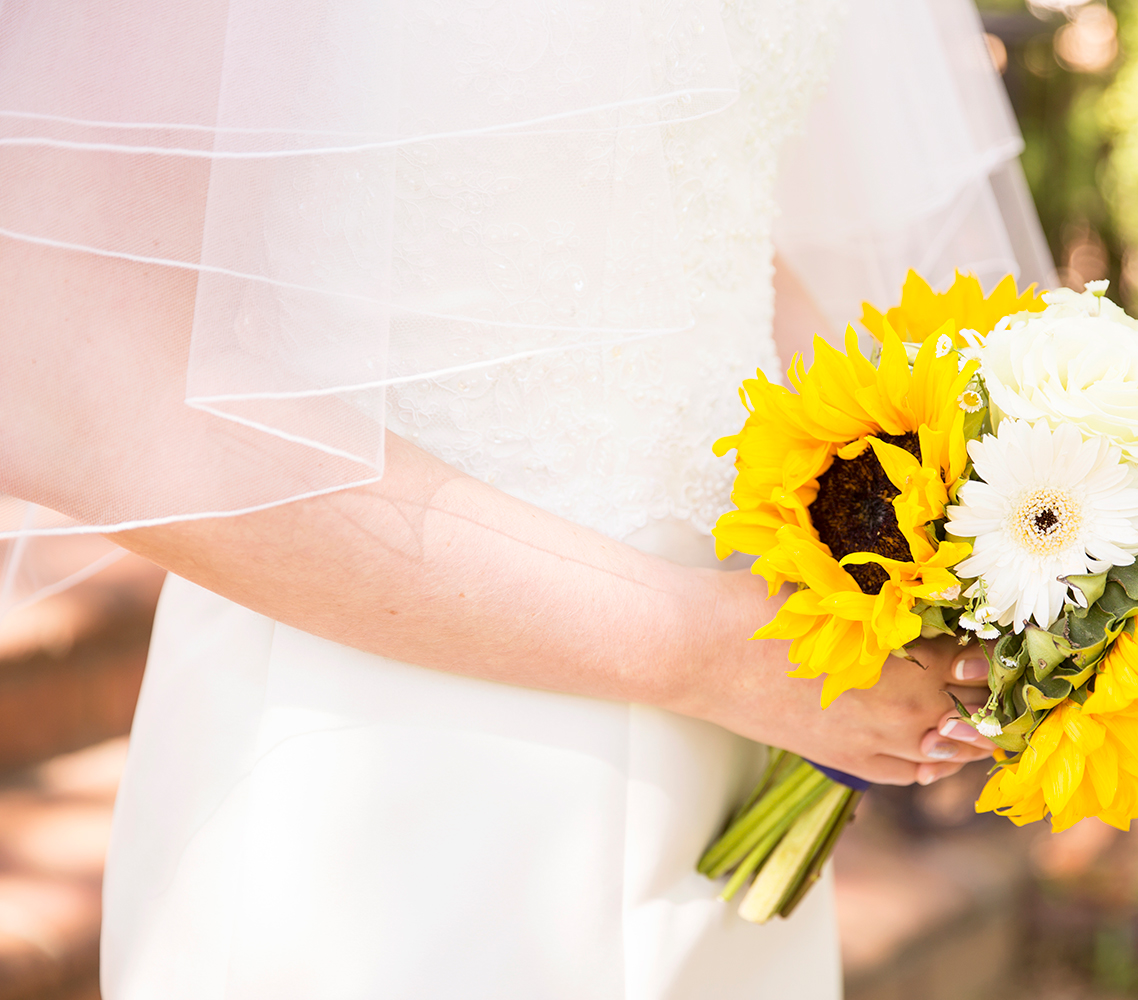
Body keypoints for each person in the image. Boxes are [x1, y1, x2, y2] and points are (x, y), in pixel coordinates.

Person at [0, 0, 1054, 996]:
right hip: (387, 769)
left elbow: (703, 233)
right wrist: (718, 650)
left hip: (741, 750)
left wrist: (966, 533)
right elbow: (84, 390)